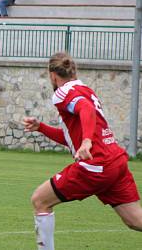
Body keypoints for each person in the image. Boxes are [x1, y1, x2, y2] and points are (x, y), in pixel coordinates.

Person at [23, 52, 142, 250]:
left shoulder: (62, 93)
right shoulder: (86, 89)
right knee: (135, 221)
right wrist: (41, 127)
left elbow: (85, 108)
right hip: (115, 161)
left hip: (96, 164)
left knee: (40, 200)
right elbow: (71, 137)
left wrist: (86, 142)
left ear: (53, 75)